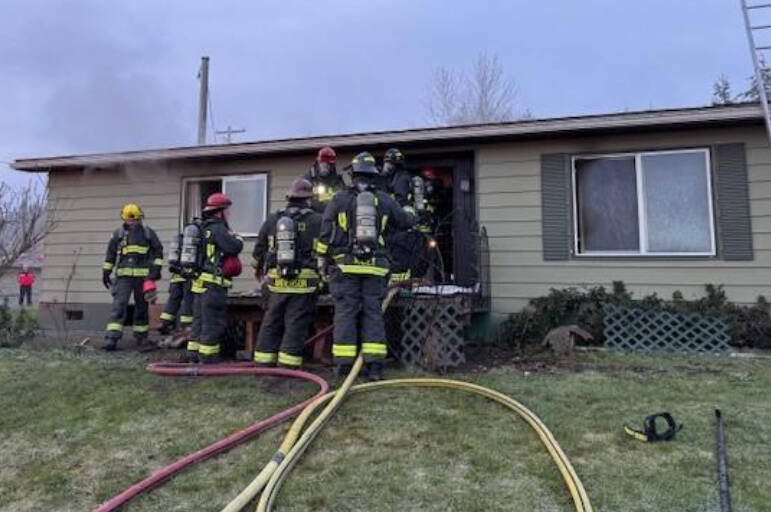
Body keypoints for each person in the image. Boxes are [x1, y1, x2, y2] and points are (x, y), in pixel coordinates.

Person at [317, 152, 416, 380]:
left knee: (345, 313)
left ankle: (344, 366)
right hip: (375, 268)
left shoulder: (340, 199)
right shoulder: (384, 199)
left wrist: (322, 260)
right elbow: (405, 222)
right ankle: (374, 367)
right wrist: (411, 210)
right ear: (374, 176)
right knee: (373, 313)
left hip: (345, 267)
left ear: (353, 175)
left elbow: (325, 232)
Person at [252, 178, 321, 369]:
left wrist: (261, 272)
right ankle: (287, 367)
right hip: (303, 284)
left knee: (271, 321)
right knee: (295, 324)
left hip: (275, 283)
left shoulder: (273, 220)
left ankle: (263, 363)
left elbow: (258, 253)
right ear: (308, 199)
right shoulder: (317, 220)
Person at [101, 203, 163, 351]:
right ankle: (111, 339)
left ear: (140, 218)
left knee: (141, 308)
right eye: (129, 220)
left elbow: (158, 254)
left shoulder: (148, 234)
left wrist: (155, 272)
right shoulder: (118, 234)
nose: (132, 223)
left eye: (135, 220)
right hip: (124, 278)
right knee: (119, 306)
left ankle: (141, 338)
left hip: (143, 278)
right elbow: (110, 255)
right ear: (124, 219)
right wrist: (106, 272)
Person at [196, 192, 244, 363]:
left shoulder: (203, 229)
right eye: (227, 211)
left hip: (202, 282)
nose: (229, 214)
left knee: (201, 320)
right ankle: (209, 358)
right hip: (214, 284)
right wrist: (237, 237)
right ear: (220, 212)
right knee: (213, 321)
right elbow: (234, 246)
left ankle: (196, 354)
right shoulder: (219, 229)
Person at [303, 146, 345, 213]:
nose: (325, 167)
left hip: (333, 214)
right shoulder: (309, 179)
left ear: (332, 166)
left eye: (328, 165)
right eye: (322, 164)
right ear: (318, 163)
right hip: (314, 216)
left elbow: (344, 198)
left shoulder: (338, 181)